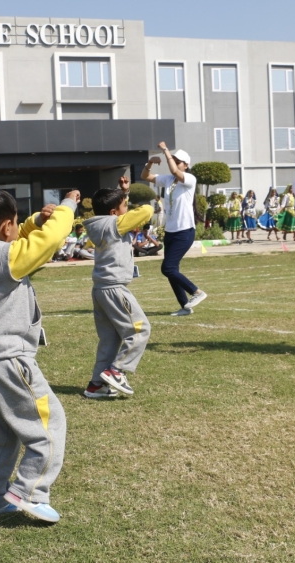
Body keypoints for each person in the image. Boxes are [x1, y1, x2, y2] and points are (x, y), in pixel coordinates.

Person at [0, 187, 80, 523]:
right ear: (6, 226)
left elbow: (14, 236)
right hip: (9, 359)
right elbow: (51, 240)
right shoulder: (5, 259)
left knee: (3, 434)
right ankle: (29, 491)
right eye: (16, 222)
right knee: (49, 426)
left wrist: (34, 220)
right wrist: (67, 206)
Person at [82, 183, 152, 399]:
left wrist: (124, 193)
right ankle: (117, 370)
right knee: (140, 330)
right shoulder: (114, 224)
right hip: (114, 288)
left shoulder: (102, 224)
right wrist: (127, 202)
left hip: (101, 289)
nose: (127, 210)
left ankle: (96, 385)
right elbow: (147, 210)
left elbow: (121, 215)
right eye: (125, 206)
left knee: (110, 340)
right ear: (113, 213)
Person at [141, 142, 207, 317]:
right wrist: (150, 163)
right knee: (172, 271)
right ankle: (185, 306)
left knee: (168, 268)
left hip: (185, 232)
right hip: (170, 231)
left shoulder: (189, 179)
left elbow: (175, 171)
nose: (175, 164)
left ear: (186, 165)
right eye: (174, 161)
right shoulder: (169, 179)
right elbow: (145, 176)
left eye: (179, 162)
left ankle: (196, 292)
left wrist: (165, 151)